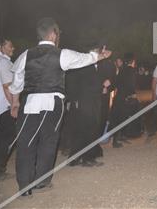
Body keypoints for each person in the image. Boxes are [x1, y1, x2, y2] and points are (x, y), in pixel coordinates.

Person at [8, 18, 112, 196]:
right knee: (48, 143)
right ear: (52, 34)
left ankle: (25, 187)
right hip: (53, 103)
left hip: (30, 103)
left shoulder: (26, 54)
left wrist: (15, 103)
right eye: (57, 34)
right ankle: (42, 181)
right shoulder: (61, 54)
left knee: (26, 143)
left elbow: (16, 83)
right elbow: (84, 59)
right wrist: (102, 55)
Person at [67, 42, 111, 167]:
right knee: (89, 128)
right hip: (87, 102)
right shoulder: (86, 64)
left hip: (90, 101)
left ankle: (76, 158)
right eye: (102, 50)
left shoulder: (94, 64)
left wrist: (103, 85)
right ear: (97, 51)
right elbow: (84, 84)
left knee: (84, 129)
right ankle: (87, 158)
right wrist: (102, 86)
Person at [0, 37, 16, 182]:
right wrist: (14, 105)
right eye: (9, 46)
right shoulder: (3, 62)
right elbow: (7, 86)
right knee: (6, 139)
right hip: (4, 106)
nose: (12, 48)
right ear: (0, 47)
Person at [109, 53, 136, 148]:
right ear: (133, 62)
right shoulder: (131, 71)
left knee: (118, 117)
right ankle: (116, 140)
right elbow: (131, 84)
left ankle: (119, 137)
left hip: (119, 96)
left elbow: (116, 83)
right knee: (122, 117)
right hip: (124, 97)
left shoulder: (122, 70)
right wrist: (133, 94)